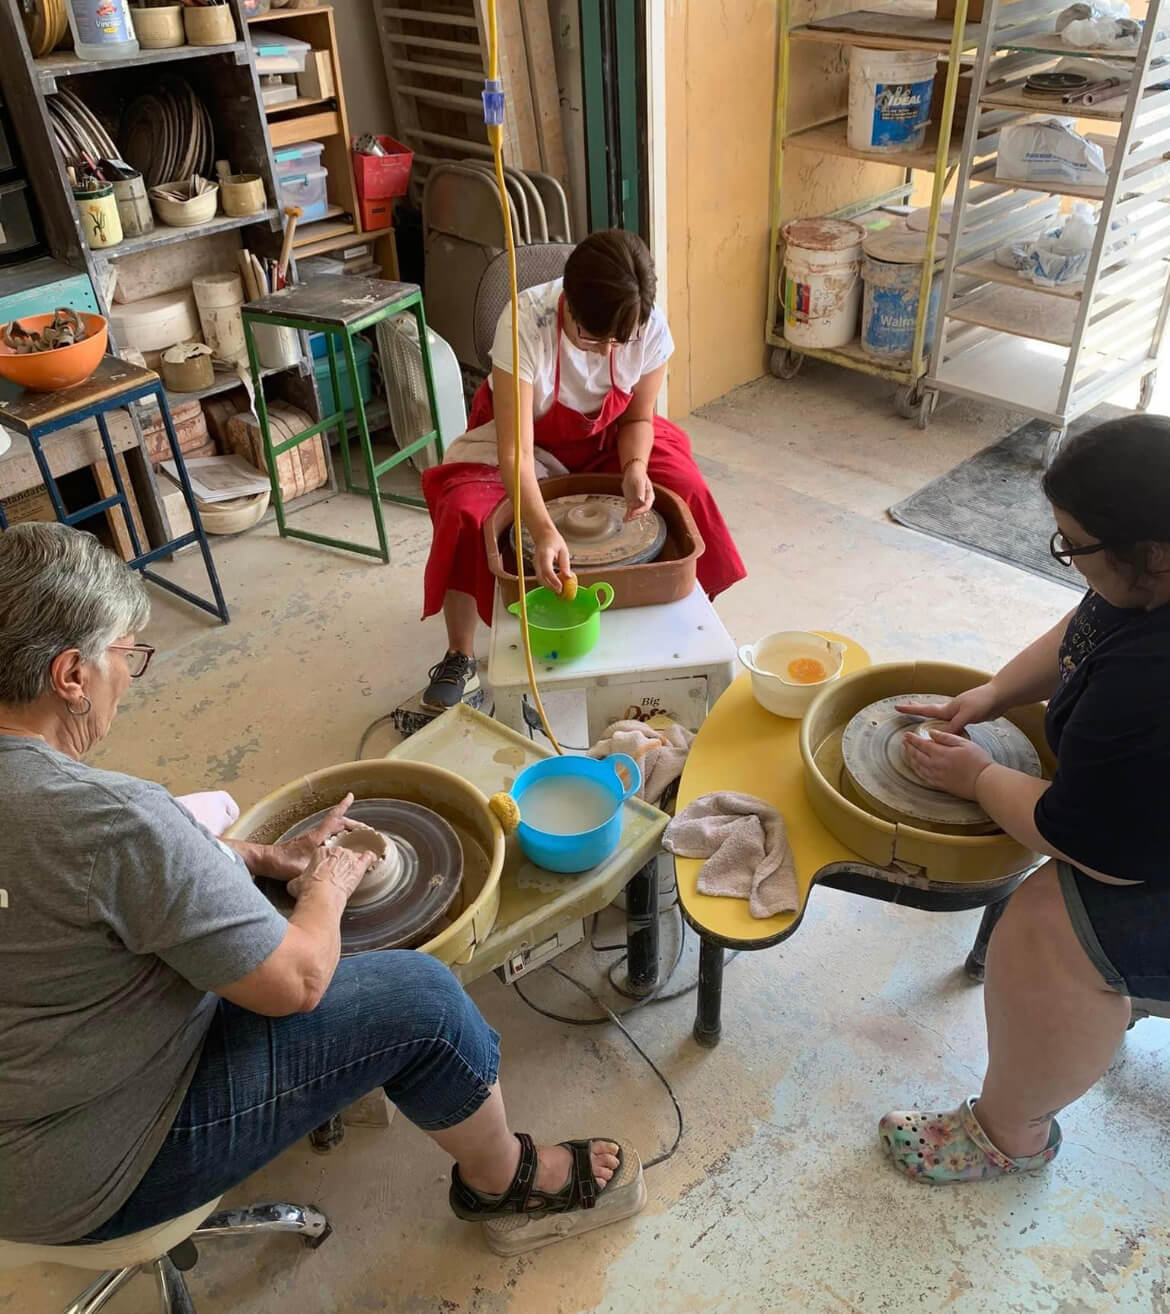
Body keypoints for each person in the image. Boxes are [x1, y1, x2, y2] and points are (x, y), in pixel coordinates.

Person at [0, 523, 635, 1246]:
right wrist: (330, 882)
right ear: (71, 677)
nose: (130, 677)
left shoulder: (87, 822)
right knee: (423, 999)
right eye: (126, 655)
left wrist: (253, 859)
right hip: (79, 1171)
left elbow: (83, 874)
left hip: (29, 1103)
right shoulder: (114, 821)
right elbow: (296, 982)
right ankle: (507, 1184)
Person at [878, 415, 1170, 1183]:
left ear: (1155, 556)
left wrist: (976, 777)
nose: (1068, 557)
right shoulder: (1146, 579)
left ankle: (1010, 1135)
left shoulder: (1154, 681)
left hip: (1136, 850)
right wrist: (995, 693)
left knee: (1047, 928)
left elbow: (1094, 848)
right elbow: (1089, 622)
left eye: (1074, 543)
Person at [419, 227, 746, 710]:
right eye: (594, 339)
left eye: (622, 341)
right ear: (567, 305)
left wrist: (634, 466)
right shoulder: (526, 321)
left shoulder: (648, 324)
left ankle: (684, 625)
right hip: (522, 435)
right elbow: (515, 453)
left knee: (685, 489)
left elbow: (637, 416)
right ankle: (460, 653)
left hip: (612, 432)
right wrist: (543, 527)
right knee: (466, 510)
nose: (608, 352)